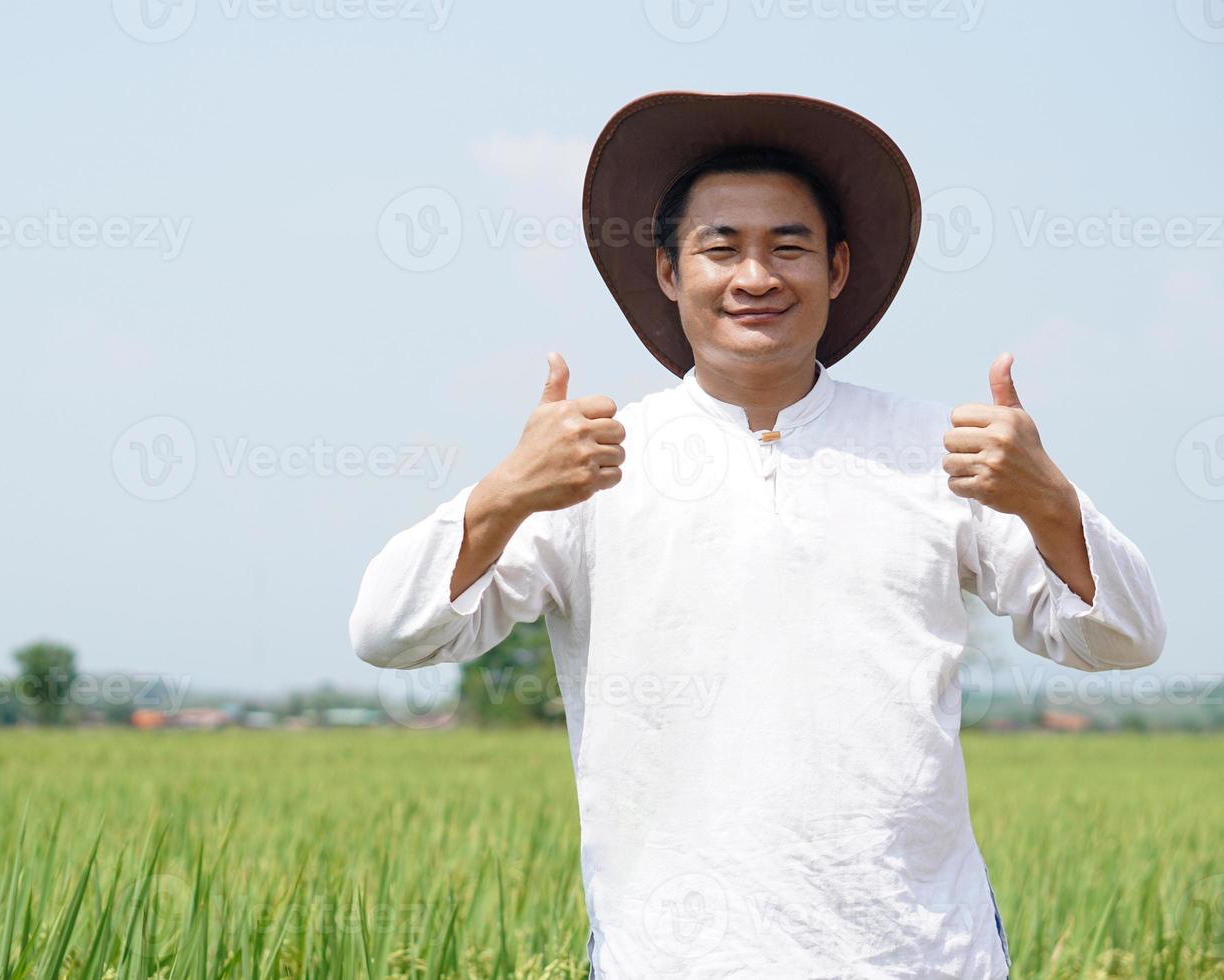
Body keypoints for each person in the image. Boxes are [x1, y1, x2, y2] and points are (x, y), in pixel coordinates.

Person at [348, 91, 1166, 979]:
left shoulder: (942, 455)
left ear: (839, 268)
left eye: (789, 247)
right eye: (720, 248)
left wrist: (1046, 497)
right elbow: (390, 631)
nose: (756, 277)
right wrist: (507, 490)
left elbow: (1124, 637)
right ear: (668, 273)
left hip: (923, 955)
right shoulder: (590, 467)